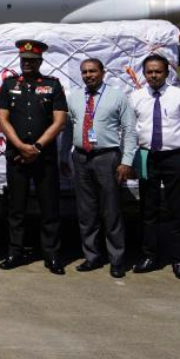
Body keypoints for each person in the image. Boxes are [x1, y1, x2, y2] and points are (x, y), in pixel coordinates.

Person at [0, 39, 69, 275]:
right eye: (24, 60)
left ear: (40, 61)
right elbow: (3, 119)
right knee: (16, 208)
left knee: (50, 209)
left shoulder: (52, 85)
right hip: (17, 157)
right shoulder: (8, 85)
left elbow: (60, 121)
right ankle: (15, 252)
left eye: (32, 60)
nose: (27, 63)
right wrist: (20, 146)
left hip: (43, 158)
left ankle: (52, 255)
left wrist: (36, 147)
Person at [128, 53, 180, 280]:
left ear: (166, 72)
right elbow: (129, 129)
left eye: (157, 71)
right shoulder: (136, 96)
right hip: (145, 157)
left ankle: (178, 259)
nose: (153, 75)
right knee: (147, 209)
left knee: (176, 210)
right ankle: (149, 256)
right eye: (149, 71)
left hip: (174, 158)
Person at [63, 58, 136, 279]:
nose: (88, 75)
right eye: (84, 72)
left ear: (103, 72)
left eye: (93, 71)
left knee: (111, 211)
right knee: (86, 212)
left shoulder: (117, 96)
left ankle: (116, 259)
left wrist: (127, 161)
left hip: (107, 157)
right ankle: (92, 256)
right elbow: (68, 128)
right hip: (81, 158)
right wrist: (63, 156)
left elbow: (130, 130)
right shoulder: (74, 98)